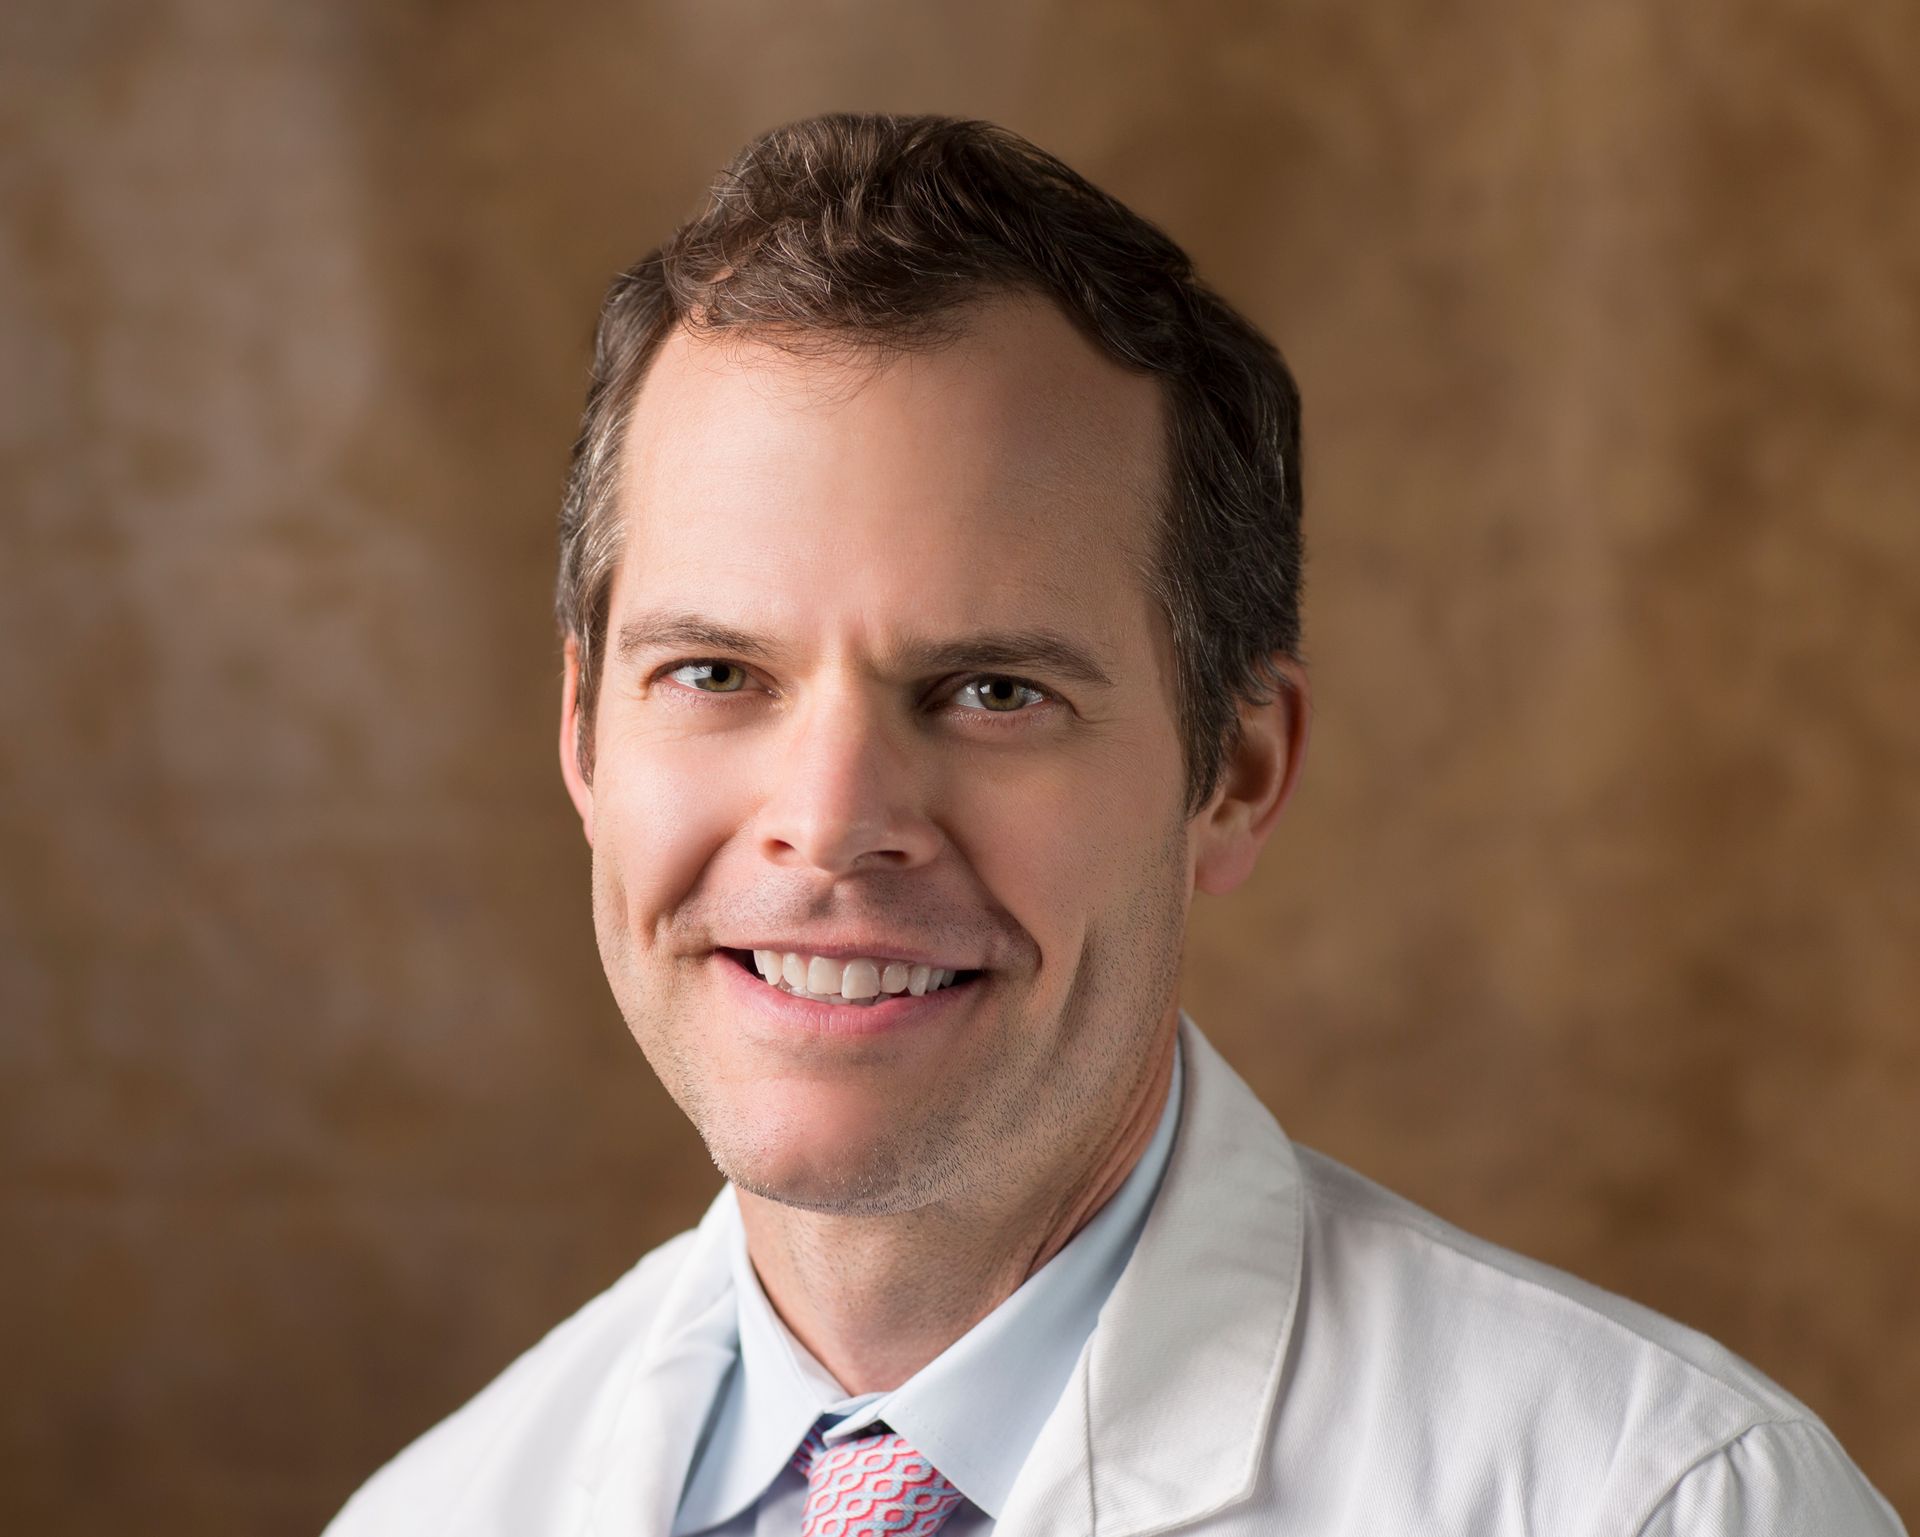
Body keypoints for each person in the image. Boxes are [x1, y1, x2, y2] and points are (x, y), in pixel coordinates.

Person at [323, 113, 1903, 1536]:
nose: (830, 823)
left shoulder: (1663, 1505)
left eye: (992, 689)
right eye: (718, 670)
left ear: (1236, 769)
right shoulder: (436, 1513)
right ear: (585, 731)